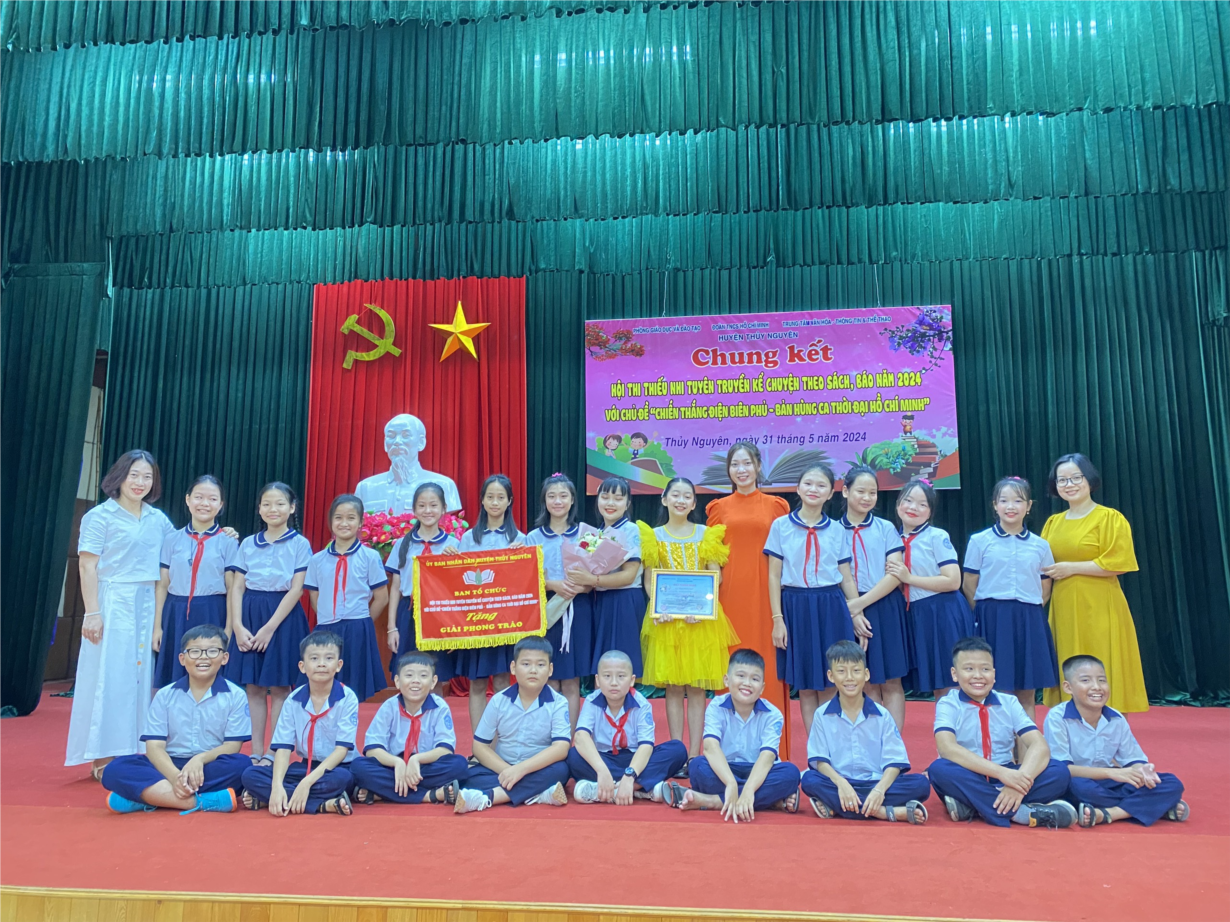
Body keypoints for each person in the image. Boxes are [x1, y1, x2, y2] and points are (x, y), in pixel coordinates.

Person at [67, 450, 176, 779]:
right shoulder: (100, 516)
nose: (140, 482)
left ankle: (135, 750)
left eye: (147, 477)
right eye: (134, 475)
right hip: (112, 600)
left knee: (139, 678)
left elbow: (180, 548)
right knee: (108, 675)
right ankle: (102, 754)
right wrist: (92, 612)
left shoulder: (158, 519)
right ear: (120, 476)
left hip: (147, 601)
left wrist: (222, 533)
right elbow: (87, 566)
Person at [101, 625, 251, 814]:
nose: (203, 657)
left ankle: (149, 797)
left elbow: (232, 746)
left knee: (242, 766)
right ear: (182, 658)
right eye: (194, 651)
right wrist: (175, 778)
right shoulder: (165, 695)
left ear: (224, 658)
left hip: (208, 765)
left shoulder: (235, 695)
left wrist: (199, 759)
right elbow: (155, 747)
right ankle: (199, 802)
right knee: (115, 769)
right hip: (167, 764)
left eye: (213, 651)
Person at [927, 637, 1075, 828]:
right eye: (969, 669)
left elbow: (1039, 745)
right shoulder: (948, 703)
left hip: (1007, 773)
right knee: (939, 769)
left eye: (985, 669)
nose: (978, 676)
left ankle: (975, 805)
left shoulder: (1009, 702)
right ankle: (1020, 813)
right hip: (970, 775)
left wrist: (1016, 785)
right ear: (955, 674)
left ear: (994, 674)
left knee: (1059, 771)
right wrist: (1002, 774)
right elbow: (947, 748)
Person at [640, 477, 739, 757]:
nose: (680, 500)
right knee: (673, 688)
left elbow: (715, 577)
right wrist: (658, 607)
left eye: (687, 496)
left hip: (701, 622)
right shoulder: (653, 536)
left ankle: (695, 754)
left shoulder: (706, 534)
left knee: (697, 688)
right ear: (664, 499)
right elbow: (649, 579)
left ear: (694, 503)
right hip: (666, 622)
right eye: (675, 495)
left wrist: (701, 607)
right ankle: (677, 753)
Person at [1041, 453, 1147, 712]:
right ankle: (1071, 728)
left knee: (1103, 663)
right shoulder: (1053, 523)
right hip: (1064, 607)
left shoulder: (1109, 518)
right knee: (1069, 662)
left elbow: (1119, 562)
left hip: (1100, 606)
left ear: (1089, 479)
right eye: (1062, 480)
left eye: (1076, 477)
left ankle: (1111, 731)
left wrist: (1071, 568)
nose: (1069, 484)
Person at [705, 442, 792, 750]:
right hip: (729, 598)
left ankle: (772, 751)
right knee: (730, 665)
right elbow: (712, 555)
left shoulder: (777, 506)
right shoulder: (717, 508)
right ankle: (726, 752)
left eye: (746, 464)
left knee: (767, 664)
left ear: (758, 467)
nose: (741, 470)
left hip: (767, 597)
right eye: (735, 465)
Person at [766, 463, 863, 733]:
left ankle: (833, 741)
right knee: (806, 684)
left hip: (830, 606)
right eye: (808, 483)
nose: (813, 489)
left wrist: (856, 613)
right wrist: (778, 619)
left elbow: (846, 577)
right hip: (795, 606)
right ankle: (815, 746)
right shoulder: (781, 526)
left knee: (833, 678)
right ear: (797, 488)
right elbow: (774, 575)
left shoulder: (836, 530)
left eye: (821, 485)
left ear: (831, 493)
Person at [1044, 655, 1187, 827]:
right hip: (1079, 779)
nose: (1097, 687)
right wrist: (1111, 773)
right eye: (1086, 680)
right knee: (1078, 788)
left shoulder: (1116, 718)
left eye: (1102, 680)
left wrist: (1143, 771)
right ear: (1068, 687)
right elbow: (1063, 769)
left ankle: (1110, 813)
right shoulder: (1057, 717)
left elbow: (1133, 760)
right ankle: (1153, 806)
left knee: (1171, 783)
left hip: (1111, 782)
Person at [225, 482, 312, 766]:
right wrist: (238, 625)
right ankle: (255, 751)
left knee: (280, 687)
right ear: (259, 509)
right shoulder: (248, 543)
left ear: (292, 508)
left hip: (283, 618)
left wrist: (270, 628)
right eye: (266, 504)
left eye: (280, 503)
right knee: (253, 687)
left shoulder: (300, 544)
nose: (273, 509)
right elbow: (237, 587)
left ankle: (275, 751)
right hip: (250, 614)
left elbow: (297, 589)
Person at [799, 640, 930, 823]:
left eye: (856, 670)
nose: (849, 678)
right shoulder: (822, 715)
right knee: (809, 780)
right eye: (841, 671)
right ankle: (885, 812)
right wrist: (841, 783)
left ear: (866, 674)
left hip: (876, 783)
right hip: (840, 783)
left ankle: (839, 806)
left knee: (921, 785)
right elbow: (820, 762)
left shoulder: (882, 715)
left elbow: (894, 762)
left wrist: (879, 790)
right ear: (831, 676)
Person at [963, 476, 1057, 720]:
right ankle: (997, 741)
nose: (1011, 506)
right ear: (995, 505)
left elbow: (1045, 586)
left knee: (1027, 689)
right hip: (992, 618)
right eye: (1004, 500)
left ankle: (1026, 742)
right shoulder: (980, 541)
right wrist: (986, 612)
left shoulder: (1041, 545)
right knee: (994, 687)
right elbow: (969, 583)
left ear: (1029, 506)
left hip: (1029, 618)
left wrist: (1027, 611)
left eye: (1018, 500)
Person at [240, 630, 358, 816]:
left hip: (336, 767)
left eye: (329, 658)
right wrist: (277, 786)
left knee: (343, 779)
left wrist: (306, 783)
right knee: (250, 775)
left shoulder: (347, 698)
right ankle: (323, 804)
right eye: (314, 658)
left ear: (339, 665)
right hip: (305, 766)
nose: (321, 664)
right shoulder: (293, 699)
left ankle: (274, 798)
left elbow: (341, 751)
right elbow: (283, 747)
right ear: (302, 666)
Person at [673, 649, 800, 820]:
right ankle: (771, 802)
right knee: (697, 766)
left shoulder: (773, 714)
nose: (747, 683)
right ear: (727, 679)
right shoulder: (716, 706)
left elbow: (767, 757)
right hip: (725, 769)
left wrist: (749, 789)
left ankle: (712, 801)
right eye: (741, 676)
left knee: (791, 773)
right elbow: (710, 747)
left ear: (762, 687)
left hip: (758, 771)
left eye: (755, 679)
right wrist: (730, 783)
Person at [453, 637, 572, 814]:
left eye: (540, 665)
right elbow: (479, 746)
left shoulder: (558, 703)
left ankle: (490, 796)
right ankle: (538, 794)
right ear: (513, 668)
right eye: (526, 664)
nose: (533, 670)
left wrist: (521, 770)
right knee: (467, 775)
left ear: (550, 670)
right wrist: (509, 771)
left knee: (561, 770)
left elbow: (561, 748)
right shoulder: (498, 700)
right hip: (502, 768)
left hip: (537, 768)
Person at [445, 474, 527, 729]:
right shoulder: (469, 538)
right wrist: (450, 558)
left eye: (501, 497)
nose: (495, 502)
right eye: (490, 497)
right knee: (477, 683)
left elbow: (524, 581)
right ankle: (479, 740)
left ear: (509, 501)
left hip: (504, 623)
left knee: (502, 681)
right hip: (476, 623)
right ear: (482, 500)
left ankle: (503, 738)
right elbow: (458, 580)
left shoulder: (519, 539)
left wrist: (520, 559)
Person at [888, 478, 974, 698]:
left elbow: (953, 581)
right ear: (898, 504)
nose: (913, 508)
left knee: (952, 678)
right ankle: (944, 720)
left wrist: (909, 578)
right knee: (937, 680)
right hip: (917, 613)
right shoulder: (892, 539)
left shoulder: (937, 536)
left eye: (922, 504)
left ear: (930, 512)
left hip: (943, 610)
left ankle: (961, 720)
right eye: (908, 501)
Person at [568, 650, 688, 805]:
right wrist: (601, 770)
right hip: (604, 759)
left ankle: (615, 789)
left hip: (635, 759)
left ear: (632, 680)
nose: (614, 682)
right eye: (607, 676)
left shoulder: (642, 704)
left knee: (677, 749)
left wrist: (630, 775)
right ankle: (642, 789)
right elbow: (580, 737)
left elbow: (646, 746)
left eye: (621, 676)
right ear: (597, 680)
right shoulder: (591, 701)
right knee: (573, 756)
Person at [840, 465, 909, 729]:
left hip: (884, 606)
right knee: (861, 679)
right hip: (848, 608)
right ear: (845, 491)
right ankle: (869, 742)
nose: (867, 497)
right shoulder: (833, 531)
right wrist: (854, 612)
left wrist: (859, 605)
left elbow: (895, 574)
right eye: (861, 491)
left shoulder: (885, 528)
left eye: (873, 492)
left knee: (891, 680)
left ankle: (893, 745)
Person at [350, 652, 469, 805]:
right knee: (358, 767)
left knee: (459, 765)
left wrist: (416, 760)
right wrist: (397, 763)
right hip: (392, 767)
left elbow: (445, 749)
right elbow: (372, 749)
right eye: (409, 675)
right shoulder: (389, 706)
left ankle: (384, 793)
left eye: (423, 676)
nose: (415, 681)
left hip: (425, 766)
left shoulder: (440, 707)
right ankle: (430, 795)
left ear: (433, 682)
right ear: (397, 681)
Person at [153, 476, 239, 686]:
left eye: (212, 499)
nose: (204, 503)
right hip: (175, 612)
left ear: (221, 505)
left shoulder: (228, 541)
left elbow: (232, 588)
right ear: (188, 499)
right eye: (199, 497)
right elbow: (162, 585)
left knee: (208, 674)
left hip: (212, 611)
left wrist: (229, 629)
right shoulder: (172, 539)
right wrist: (157, 627)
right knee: (173, 677)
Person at [526, 473, 597, 728]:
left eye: (563, 496)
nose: (558, 501)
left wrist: (582, 586)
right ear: (544, 500)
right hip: (547, 608)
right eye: (552, 496)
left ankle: (570, 737)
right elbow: (526, 577)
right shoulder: (532, 537)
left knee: (571, 680)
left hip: (578, 608)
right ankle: (549, 735)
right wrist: (552, 585)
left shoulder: (587, 534)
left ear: (573, 500)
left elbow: (596, 576)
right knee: (548, 677)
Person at [304, 494, 389, 701]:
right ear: (330, 521)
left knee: (353, 688)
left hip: (358, 627)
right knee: (323, 684)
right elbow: (314, 595)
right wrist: (328, 617)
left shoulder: (370, 557)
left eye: (351, 518)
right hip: (326, 626)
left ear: (360, 522)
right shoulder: (317, 559)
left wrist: (363, 621)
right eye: (338, 518)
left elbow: (382, 597)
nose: (344, 523)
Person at [566, 476, 644, 676]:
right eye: (605, 497)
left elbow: (629, 575)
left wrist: (592, 580)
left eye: (618, 498)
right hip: (601, 601)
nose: (610, 503)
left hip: (624, 601)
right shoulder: (594, 533)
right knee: (604, 666)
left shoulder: (631, 529)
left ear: (627, 503)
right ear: (597, 500)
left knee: (622, 665)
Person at [385, 482, 460, 681]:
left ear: (444, 509)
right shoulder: (402, 544)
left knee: (436, 675)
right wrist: (392, 627)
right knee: (407, 672)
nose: (428, 511)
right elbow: (395, 588)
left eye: (434, 505)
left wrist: (455, 628)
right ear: (414, 509)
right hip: (408, 612)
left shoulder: (453, 545)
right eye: (422, 505)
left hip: (440, 614)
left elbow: (459, 590)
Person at [355, 414, 463, 513]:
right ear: (385, 444)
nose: (397, 441)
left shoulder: (444, 485)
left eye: (405, 435)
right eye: (391, 436)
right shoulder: (366, 487)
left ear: (421, 442)